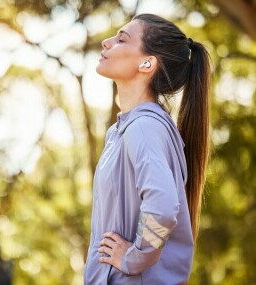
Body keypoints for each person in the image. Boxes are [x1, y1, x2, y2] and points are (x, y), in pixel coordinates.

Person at [84, 14, 211, 284]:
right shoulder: (122, 131)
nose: (106, 42)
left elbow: (163, 207)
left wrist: (134, 257)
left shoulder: (144, 127)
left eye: (121, 39)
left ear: (147, 63)